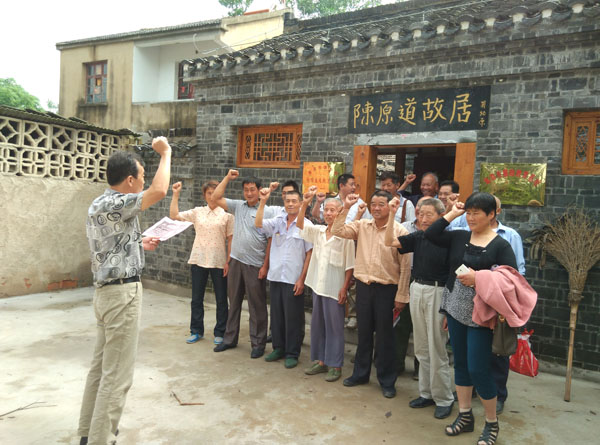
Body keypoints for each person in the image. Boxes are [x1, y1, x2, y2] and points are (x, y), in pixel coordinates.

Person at [78, 137, 172, 445]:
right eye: (142, 176)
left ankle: (88, 433)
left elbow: (111, 243)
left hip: (105, 295)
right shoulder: (119, 202)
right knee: (117, 375)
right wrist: (166, 153)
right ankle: (100, 439)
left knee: (100, 369)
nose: (144, 181)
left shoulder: (99, 203)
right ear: (130, 179)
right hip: (121, 295)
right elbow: (159, 190)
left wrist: (139, 243)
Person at [425, 192, 517, 445]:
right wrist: (452, 213)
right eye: (469, 212)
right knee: (461, 365)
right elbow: (431, 234)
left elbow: (512, 281)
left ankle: (491, 422)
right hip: (456, 308)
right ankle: (465, 415)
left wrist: (479, 278)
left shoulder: (500, 245)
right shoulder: (460, 236)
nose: (471, 217)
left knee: (479, 368)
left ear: (491, 214)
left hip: (482, 316)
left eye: (477, 213)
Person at [332, 191, 411, 399]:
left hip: (387, 289)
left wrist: (402, 295)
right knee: (364, 334)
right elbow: (337, 230)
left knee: (386, 338)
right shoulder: (362, 226)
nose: (376, 208)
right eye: (373, 204)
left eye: (381, 204)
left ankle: (387, 380)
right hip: (364, 287)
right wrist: (346, 207)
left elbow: (405, 266)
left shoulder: (400, 231)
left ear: (390, 206)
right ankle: (360, 374)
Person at [385, 197, 455, 419]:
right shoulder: (418, 237)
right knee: (422, 347)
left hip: (438, 291)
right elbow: (390, 241)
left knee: (437, 348)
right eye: (420, 214)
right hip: (417, 289)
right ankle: (426, 393)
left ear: (441, 216)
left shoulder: (451, 239)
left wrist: (448, 307)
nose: (423, 219)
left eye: (429, 215)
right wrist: (391, 214)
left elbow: (454, 274)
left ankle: (444, 398)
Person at [210, 170, 275, 359]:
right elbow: (215, 198)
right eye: (246, 190)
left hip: (255, 264)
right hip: (236, 261)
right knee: (234, 302)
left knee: (257, 305)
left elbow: (271, 240)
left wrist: (265, 266)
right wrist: (227, 178)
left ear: (260, 191)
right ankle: (229, 339)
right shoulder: (238, 206)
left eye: (252, 189)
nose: (249, 193)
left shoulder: (267, 211)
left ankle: (258, 343)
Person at [298, 186, 355, 382]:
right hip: (318, 286)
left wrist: (344, 288)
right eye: (327, 210)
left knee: (335, 327)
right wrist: (305, 203)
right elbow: (300, 225)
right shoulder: (319, 231)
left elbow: (350, 265)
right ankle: (321, 361)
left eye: (333, 210)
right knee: (318, 325)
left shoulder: (346, 236)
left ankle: (336, 365)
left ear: (340, 212)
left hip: (334, 288)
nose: (329, 213)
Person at [170, 180, 234, 345]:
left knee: (221, 299)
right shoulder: (198, 212)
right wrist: (175, 195)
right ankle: (196, 330)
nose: (212, 196)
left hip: (219, 261)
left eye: (215, 193)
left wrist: (228, 262)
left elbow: (230, 240)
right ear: (204, 195)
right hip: (198, 259)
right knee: (196, 299)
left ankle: (220, 332)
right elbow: (174, 215)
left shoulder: (227, 215)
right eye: (209, 193)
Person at [255, 186, 313, 369]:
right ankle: (278, 348)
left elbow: (310, 254)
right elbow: (258, 223)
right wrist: (263, 201)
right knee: (277, 315)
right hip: (276, 276)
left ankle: (292, 353)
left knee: (293, 318)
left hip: (293, 278)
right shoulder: (278, 221)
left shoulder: (306, 225)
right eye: (287, 201)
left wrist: (302, 279)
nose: (290, 204)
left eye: (294, 201)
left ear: (301, 203)